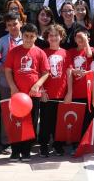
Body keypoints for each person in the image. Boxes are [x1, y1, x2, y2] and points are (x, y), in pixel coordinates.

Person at [3, 23, 49, 161]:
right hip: (17, 95)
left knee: (31, 123)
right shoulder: (14, 51)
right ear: (22, 36)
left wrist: (37, 85)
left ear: (36, 37)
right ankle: (15, 151)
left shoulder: (40, 52)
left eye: (31, 36)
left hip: (33, 95)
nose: (28, 39)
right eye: (26, 36)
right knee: (16, 122)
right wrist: (12, 87)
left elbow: (46, 72)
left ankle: (26, 151)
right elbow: (8, 70)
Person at [0, 12, 23, 152]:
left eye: (15, 24)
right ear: (6, 27)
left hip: (23, 83)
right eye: (9, 25)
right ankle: (6, 141)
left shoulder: (27, 39)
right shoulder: (2, 41)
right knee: (7, 112)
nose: (13, 27)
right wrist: (2, 67)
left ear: (21, 23)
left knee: (23, 111)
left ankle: (22, 139)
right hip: (5, 83)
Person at [39, 24, 69, 157]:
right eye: (50, 35)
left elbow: (68, 74)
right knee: (46, 121)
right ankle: (43, 145)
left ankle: (58, 144)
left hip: (62, 93)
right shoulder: (43, 52)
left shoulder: (66, 53)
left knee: (59, 122)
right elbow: (38, 73)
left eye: (56, 35)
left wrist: (69, 92)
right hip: (47, 94)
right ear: (47, 38)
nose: (53, 38)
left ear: (61, 37)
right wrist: (42, 90)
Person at [65, 30, 94, 142]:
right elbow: (69, 68)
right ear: (74, 39)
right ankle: (75, 142)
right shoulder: (70, 52)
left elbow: (89, 54)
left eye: (84, 37)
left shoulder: (91, 49)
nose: (81, 39)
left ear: (88, 39)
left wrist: (85, 40)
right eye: (78, 36)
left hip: (88, 91)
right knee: (76, 118)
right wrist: (74, 71)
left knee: (87, 118)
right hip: (75, 91)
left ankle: (85, 141)